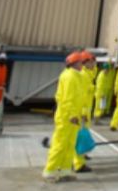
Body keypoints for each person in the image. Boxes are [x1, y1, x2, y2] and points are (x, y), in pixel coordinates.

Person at [42, 51, 86, 183]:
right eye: (81, 62)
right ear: (75, 63)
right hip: (66, 117)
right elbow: (66, 99)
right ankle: (50, 171)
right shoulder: (69, 77)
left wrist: (82, 113)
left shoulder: (77, 76)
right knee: (60, 144)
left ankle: (65, 170)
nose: (82, 65)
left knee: (70, 144)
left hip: (74, 117)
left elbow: (80, 98)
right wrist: (72, 114)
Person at [73, 51, 96, 173]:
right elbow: (81, 96)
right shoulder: (84, 76)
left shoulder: (87, 74)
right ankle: (78, 164)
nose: (94, 64)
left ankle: (77, 160)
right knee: (80, 137)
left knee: (80, 136)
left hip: (85, 111)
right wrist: (83, 113)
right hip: (83, 111)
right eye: (92, 61)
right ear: (86, 63)